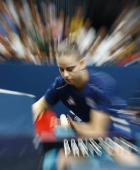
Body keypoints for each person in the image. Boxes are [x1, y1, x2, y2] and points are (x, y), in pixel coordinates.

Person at [32, 39, 126, 138]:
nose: (65, 75)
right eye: (61, 69)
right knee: (63, 153)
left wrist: (68, 125)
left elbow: (98, 131)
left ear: (82, 63)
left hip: (119, 136)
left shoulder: (101, 86)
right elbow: (39, 106)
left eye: (70, 69)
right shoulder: (61, 85)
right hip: (89, 136)